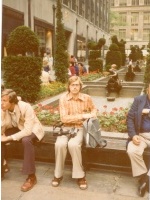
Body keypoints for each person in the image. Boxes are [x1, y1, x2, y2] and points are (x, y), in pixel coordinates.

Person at [51, 76, 98, 190]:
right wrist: (83, 116)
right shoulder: (63, 98)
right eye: (72, 85)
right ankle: (58, 175)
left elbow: (94, 110)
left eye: (77, 85)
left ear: (80, 86)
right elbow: (64, 119)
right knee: (59, 144)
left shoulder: (87, 98)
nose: (75, 87)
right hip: (66, 128)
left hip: (81, 128)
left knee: (73, 145)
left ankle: (80, 175)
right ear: (69, 86)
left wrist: (91, 114)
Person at [1, 89, 45, 192]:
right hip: (17, 127)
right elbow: (2, 126)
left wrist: (8, 138)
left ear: (12, 102)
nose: (1, 103)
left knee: (26, 140)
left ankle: (31, 177)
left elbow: (28, 130)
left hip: (33, 129)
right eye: (0, 100)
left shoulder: (25, 107)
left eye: (4, 100)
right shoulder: (2, 108)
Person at [126, 82, 150, 197]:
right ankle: (145, 178)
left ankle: (146, 181)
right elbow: (130, 118)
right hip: (141, 135)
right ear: (147, 89)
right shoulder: (139, 100)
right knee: (132, 150)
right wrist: (133, 135)